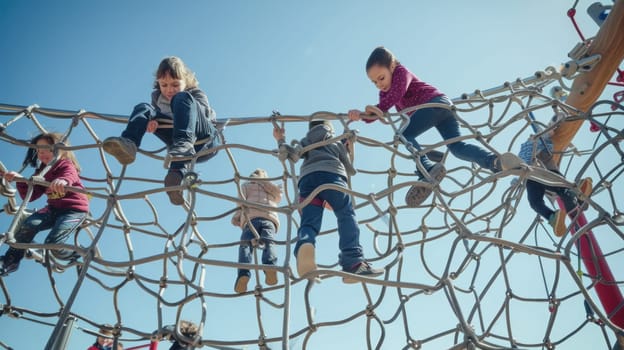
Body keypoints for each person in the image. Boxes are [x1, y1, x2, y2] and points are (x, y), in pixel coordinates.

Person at [348, 46, 520, 207]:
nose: (379, 84)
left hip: (434, 104)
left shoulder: (401, 73)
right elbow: (381, 111)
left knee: (403, 135)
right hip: (442, 108)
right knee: (457, 147)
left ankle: (428, 167)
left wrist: (378, 109)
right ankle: (496, 161)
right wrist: (361, 116)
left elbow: (395, 95)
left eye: (381, 78)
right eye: (374, 82)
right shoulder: (386, 92)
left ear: (392, 66)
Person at [273, 120, 384, 282]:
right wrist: (349, 147)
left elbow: (291, 154)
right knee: (345, 213)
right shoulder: (335, 140)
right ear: (330, 128)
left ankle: (305, 244)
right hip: (332, 177)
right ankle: (353, 262)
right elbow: (350, 169)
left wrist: (280, 139)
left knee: (308, 223)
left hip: (307, 181)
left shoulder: (305, 141)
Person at [103, 56, 220, 205]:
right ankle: (130, 144)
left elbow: (201, 114)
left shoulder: (194, 94)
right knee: (144, 108)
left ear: (186, 81)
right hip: (177, 144)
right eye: (164, 85)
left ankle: (183, 147)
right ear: (158, 83)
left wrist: (178, 107)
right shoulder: (157, 99)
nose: (169, 90)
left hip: (205, 139)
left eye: (175, 84)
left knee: (181, 98)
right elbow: (156, 115)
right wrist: (153, 122)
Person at [0, 132, 89, 276]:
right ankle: (10, 260)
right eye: (39, 151)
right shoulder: (41, 171)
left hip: (73, 210)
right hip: (53, 209)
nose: (42, 153)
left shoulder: (64, 164)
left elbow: (70, 174)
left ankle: (78, 254)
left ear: (59, 149)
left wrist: (64, 181)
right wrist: (20, 180)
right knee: (28, 225)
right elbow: (30, 195)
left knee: (53, 243)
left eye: (46, 149)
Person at [516, 113, 592, 236]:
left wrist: (557, 118)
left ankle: (574, 196)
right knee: (539, 199)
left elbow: (550, 129)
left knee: (554, 189)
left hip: (536, 171)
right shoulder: (531, 144)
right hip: (531, 174)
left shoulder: (538, 139)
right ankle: (554, 216)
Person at [231, 168, 282, 293]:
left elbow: (240, 203)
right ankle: (270, 266)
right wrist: (266, 182)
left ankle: (243, 273)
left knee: (245, 245)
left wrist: (236, 218)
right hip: (269, 219)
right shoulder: (271, 187)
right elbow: (278, 196)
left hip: (250, 220)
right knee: (269, 242)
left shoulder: (246, 186)